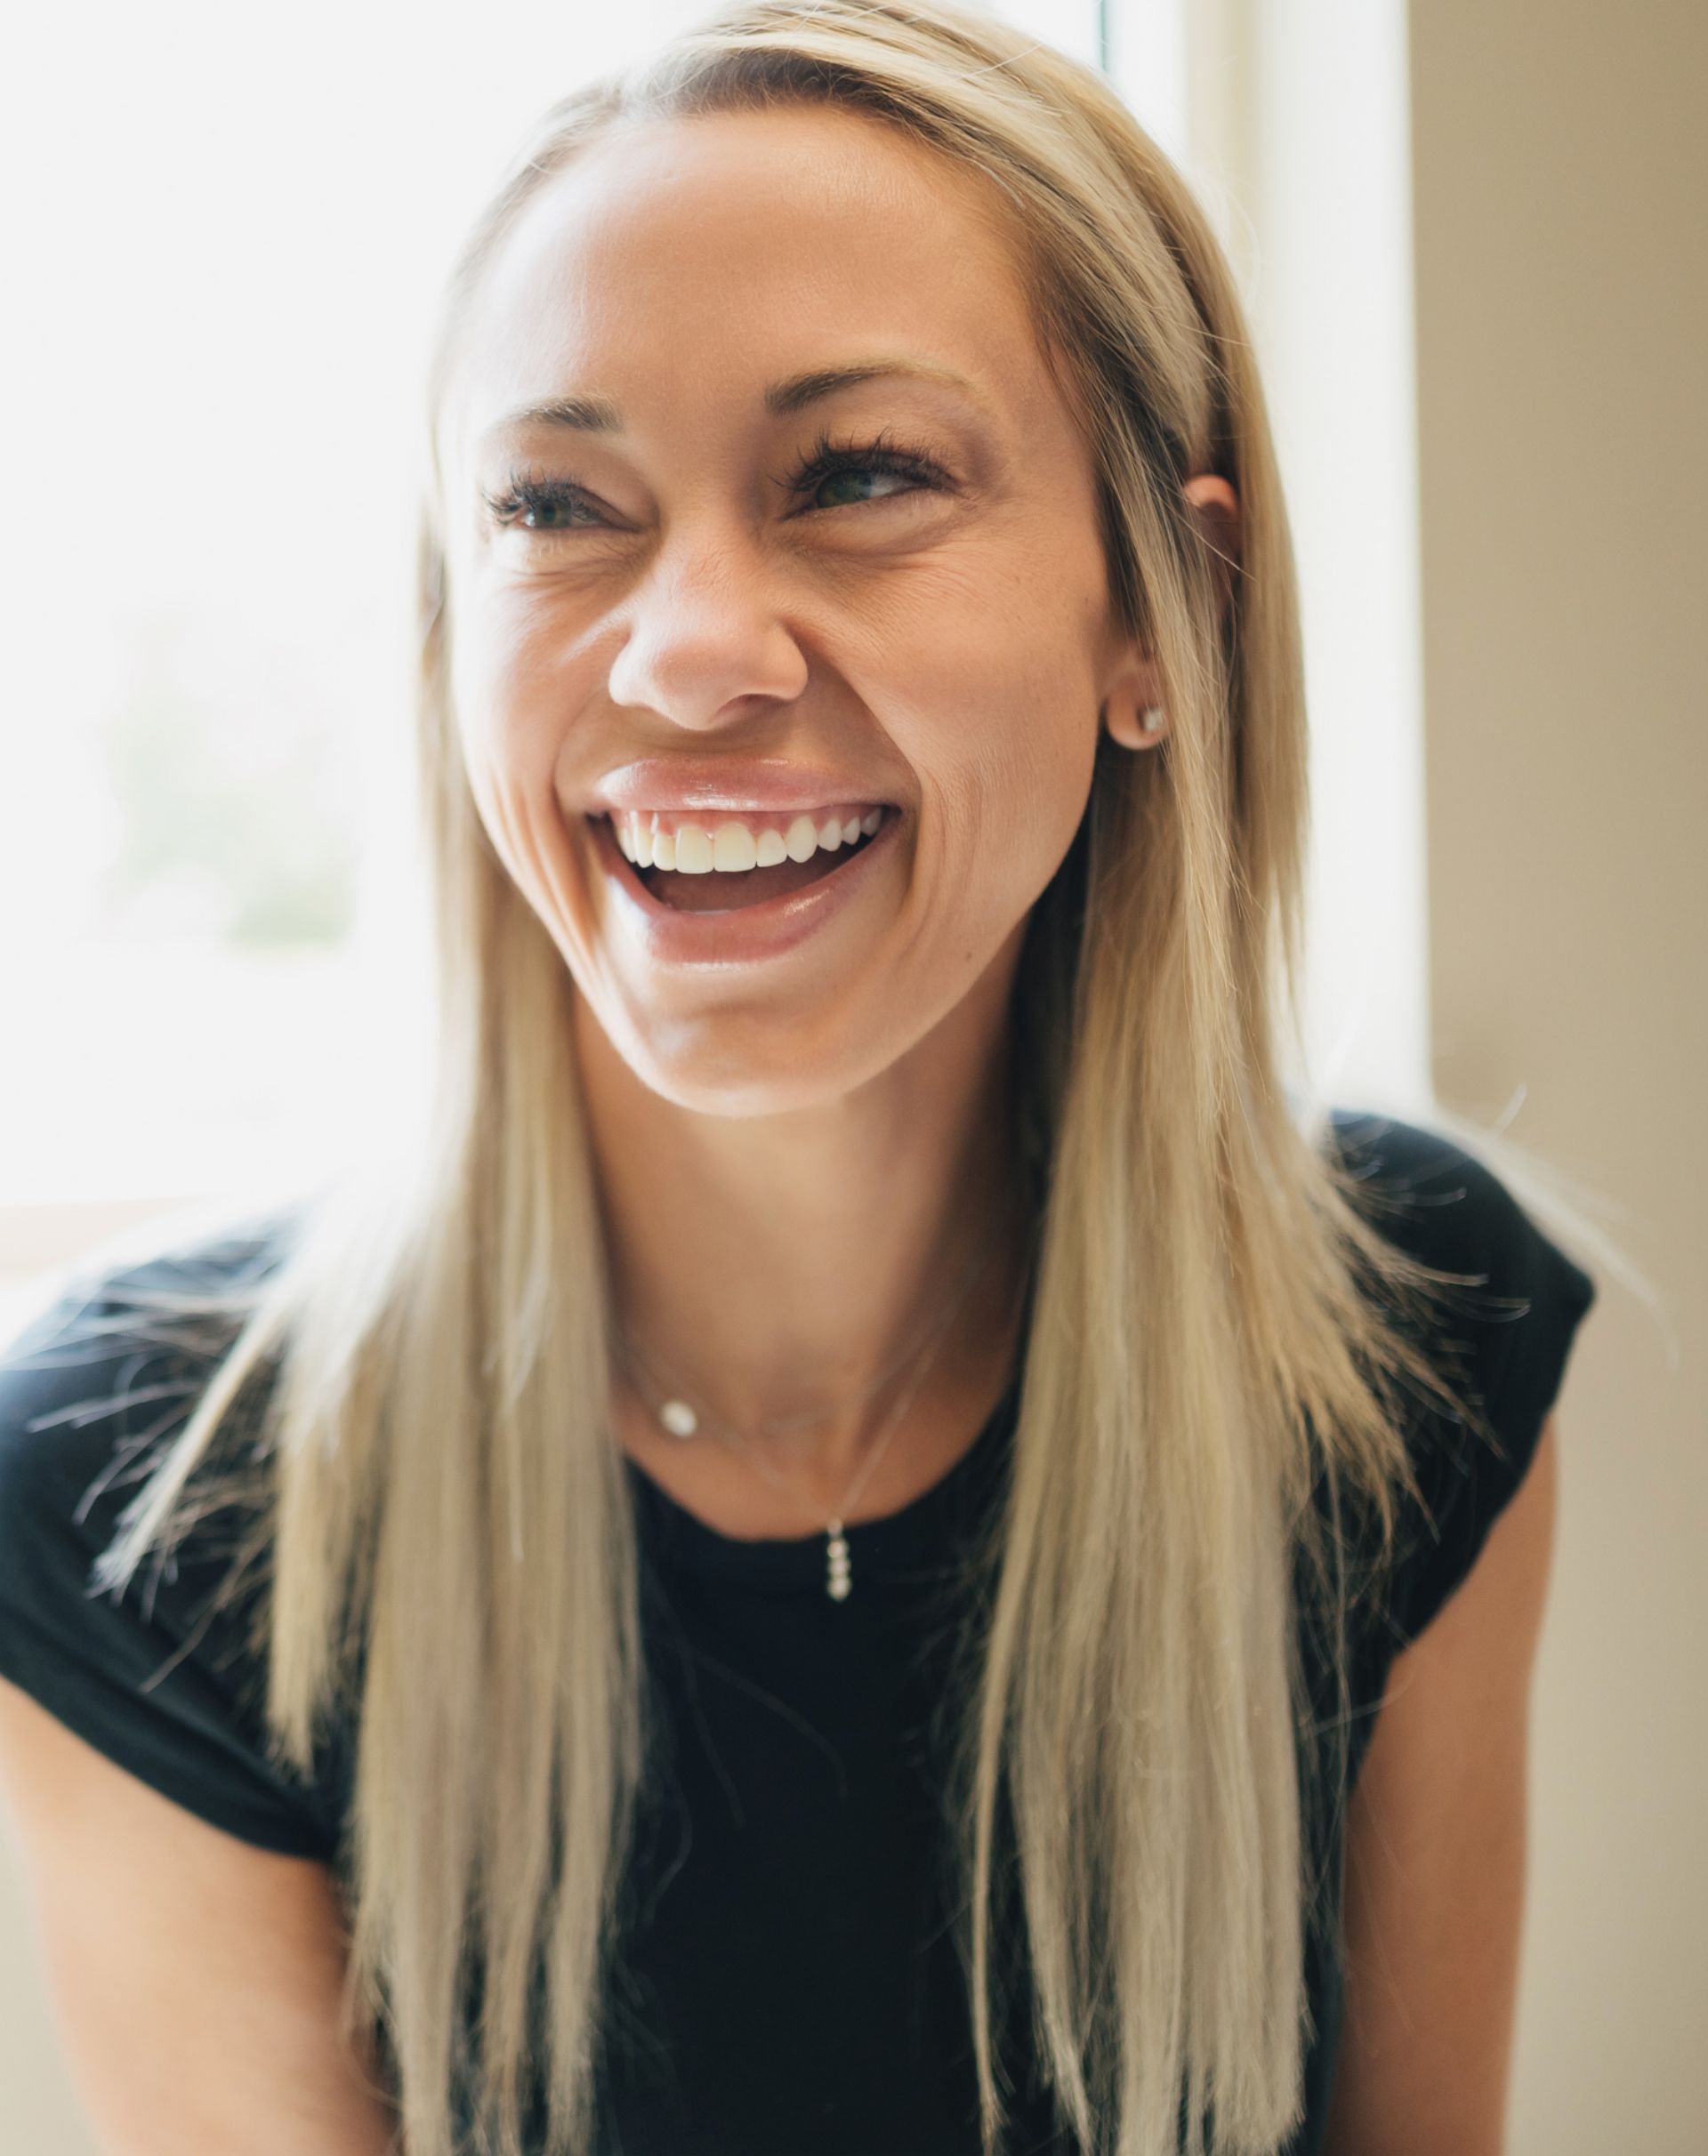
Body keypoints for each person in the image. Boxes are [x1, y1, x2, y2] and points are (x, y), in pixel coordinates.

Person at [0, 4, 1599, 2153]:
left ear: (1170, 613)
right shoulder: (134, 1505)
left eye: (859, 478)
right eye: (557, 505)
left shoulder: (1406, 1345)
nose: (684, 654)